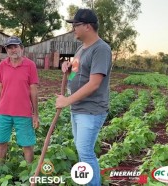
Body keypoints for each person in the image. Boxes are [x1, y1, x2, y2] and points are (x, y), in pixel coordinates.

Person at [55, 9, 112, 186]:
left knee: (86, 152)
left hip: (91, 110)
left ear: (87, 26)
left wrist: (67, 100)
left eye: (75, 25)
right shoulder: (81, 49)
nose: (73, 29)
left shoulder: (101, 49)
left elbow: (95, 83)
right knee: (82, 152)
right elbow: (75, 75)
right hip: (78, 109)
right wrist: (67, 67)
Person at [0, 36, 39, 163]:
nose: (13, 50)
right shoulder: (2, 65)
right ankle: (0, 169)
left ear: (21, 48)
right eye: (9, 48)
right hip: (3, 112)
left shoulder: (30, 65)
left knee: (27, 145)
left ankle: (29, 172)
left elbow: (33, 90)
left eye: (15, 47)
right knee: (0, 142)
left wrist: (35, 114)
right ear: (6, 50)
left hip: (24, 112)